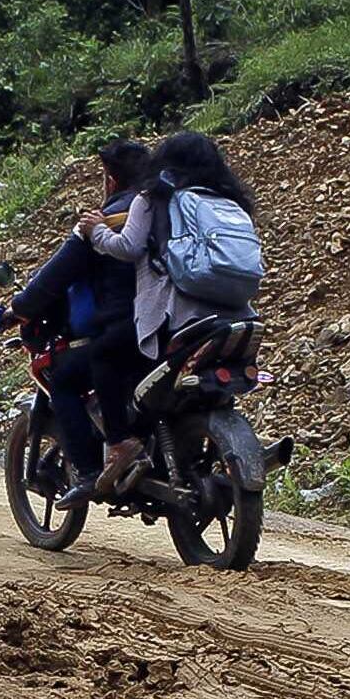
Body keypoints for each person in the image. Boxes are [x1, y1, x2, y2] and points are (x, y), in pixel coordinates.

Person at [76, 130, 259, 495]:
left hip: (173, 316)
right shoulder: (230, 203)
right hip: (236, 315)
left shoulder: (153, 196)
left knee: (104, 355)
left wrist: (95, 231)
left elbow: (128, 247)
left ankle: (120, 444)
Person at [0, 138, 149, 507]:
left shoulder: (102, 221)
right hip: (176, 326)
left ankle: (89, 471)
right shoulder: (166, 213)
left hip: (126, 329)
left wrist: (17, 310)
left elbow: (54, 277)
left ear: (110, 179)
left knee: (65, 379)